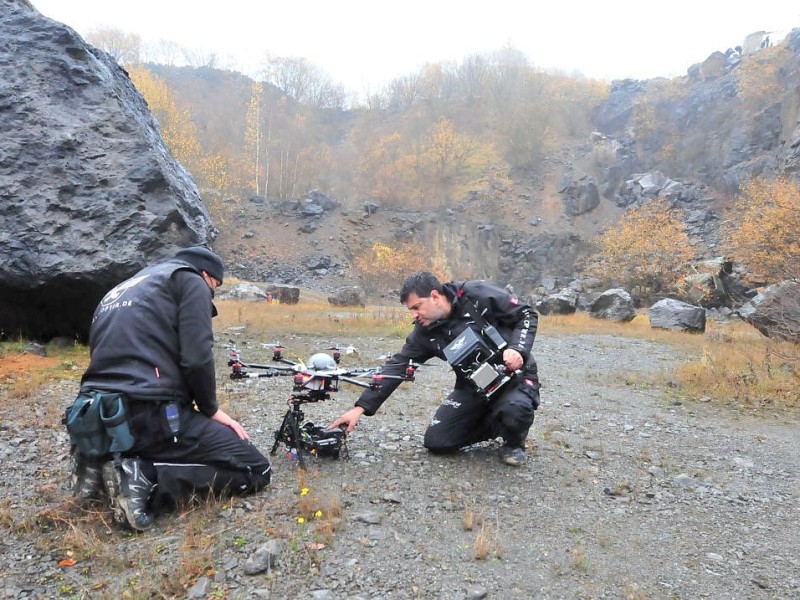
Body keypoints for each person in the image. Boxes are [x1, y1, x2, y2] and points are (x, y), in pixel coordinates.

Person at [70, 246, 271, 530]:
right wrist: (211, 408)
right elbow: (197, 357)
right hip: (150, 414)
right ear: (206, 274)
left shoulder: (128, 286)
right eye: (215, 287)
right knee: (257, 469)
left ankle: (98, 460)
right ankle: (146, 478)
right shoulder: (189, 281)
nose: (211, 293)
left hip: (96, 413)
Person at [330, 271, 540, 466]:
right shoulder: (424, 333)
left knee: (515, 409)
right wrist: (360, 408)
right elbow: (397, 367)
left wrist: (517, 350)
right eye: (411, 310)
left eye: (417, 307)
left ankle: (514, 441)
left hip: (514, 378)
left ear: (435, 296)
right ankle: (498, 423)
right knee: (438, 441)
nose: (414, 315)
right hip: (474, 388)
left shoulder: (475, 294)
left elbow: (526, 314)